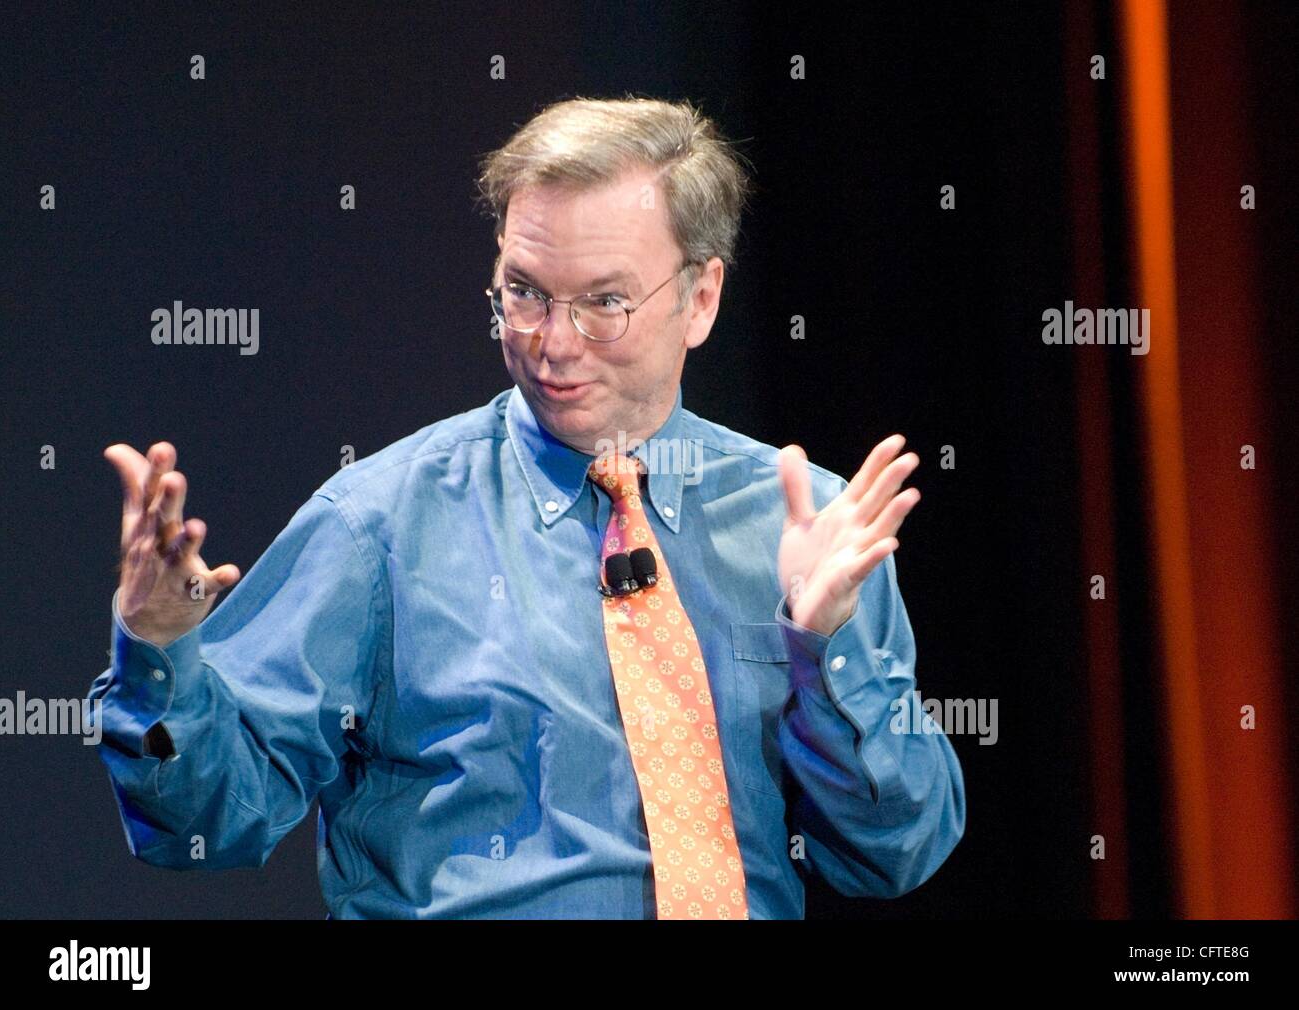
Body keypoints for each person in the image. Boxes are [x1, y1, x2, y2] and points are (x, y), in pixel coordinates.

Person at [88, 96, 965, 919]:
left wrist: (824, 649)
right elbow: (202, 821)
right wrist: (157, 649)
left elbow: (897, 851)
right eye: (524, 293)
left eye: (604, 303)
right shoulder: (378, 530)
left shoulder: (807, 526)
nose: (553, 344)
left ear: (700, 299)